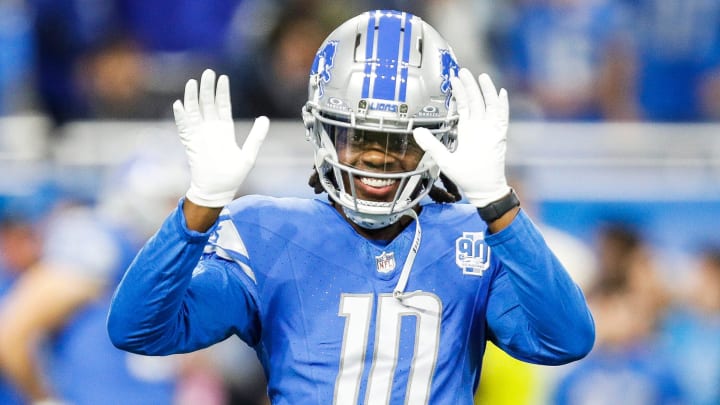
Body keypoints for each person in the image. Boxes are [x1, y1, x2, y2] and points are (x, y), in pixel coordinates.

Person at [107, 10, 595, 404]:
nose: (378, 156)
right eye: (357, 134)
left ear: (438, 142)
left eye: (401, 139)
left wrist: (498, 204)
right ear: (322, 131)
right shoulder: (264, 230)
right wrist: (200, 207)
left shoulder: (472, 236)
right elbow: (138, 329)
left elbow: (565, 339)